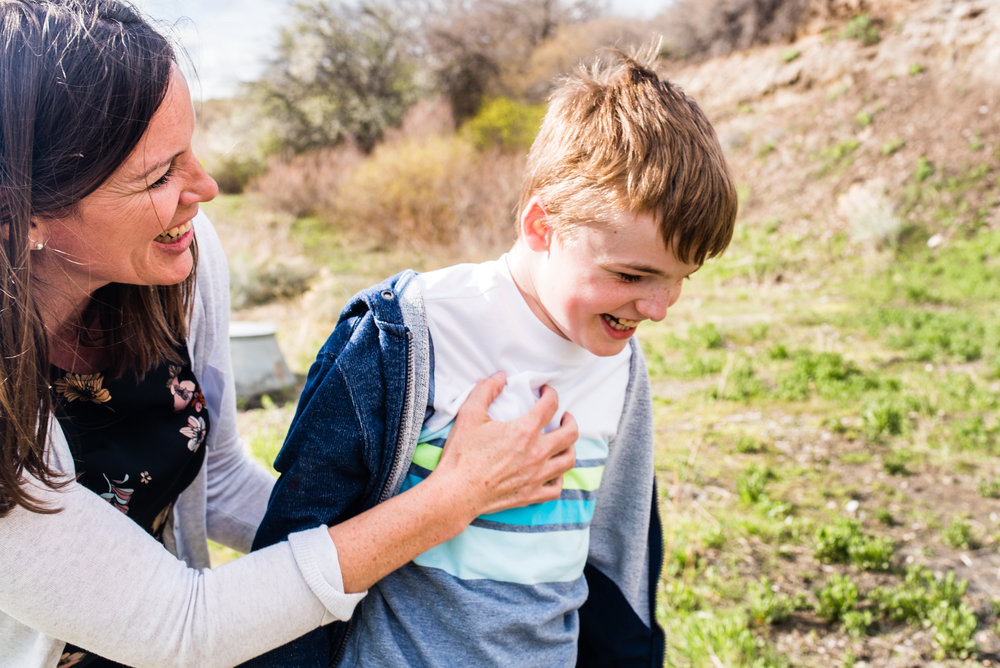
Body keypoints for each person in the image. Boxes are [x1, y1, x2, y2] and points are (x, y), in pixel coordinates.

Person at [0, 1, 579, 666]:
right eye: (160, 175)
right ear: (23, 215)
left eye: (189, 149)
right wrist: (449, 499)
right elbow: (184, 624)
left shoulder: (178, 257)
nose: (206, 187)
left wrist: (413, 549)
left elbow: (216, 485)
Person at [248, 48, 738, 667]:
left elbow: (621, 559)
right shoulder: (405, 336)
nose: (658, 309)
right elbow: (296, 543)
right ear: (541, 226)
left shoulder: (620, 363)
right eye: (632, 275)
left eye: (679, 280)